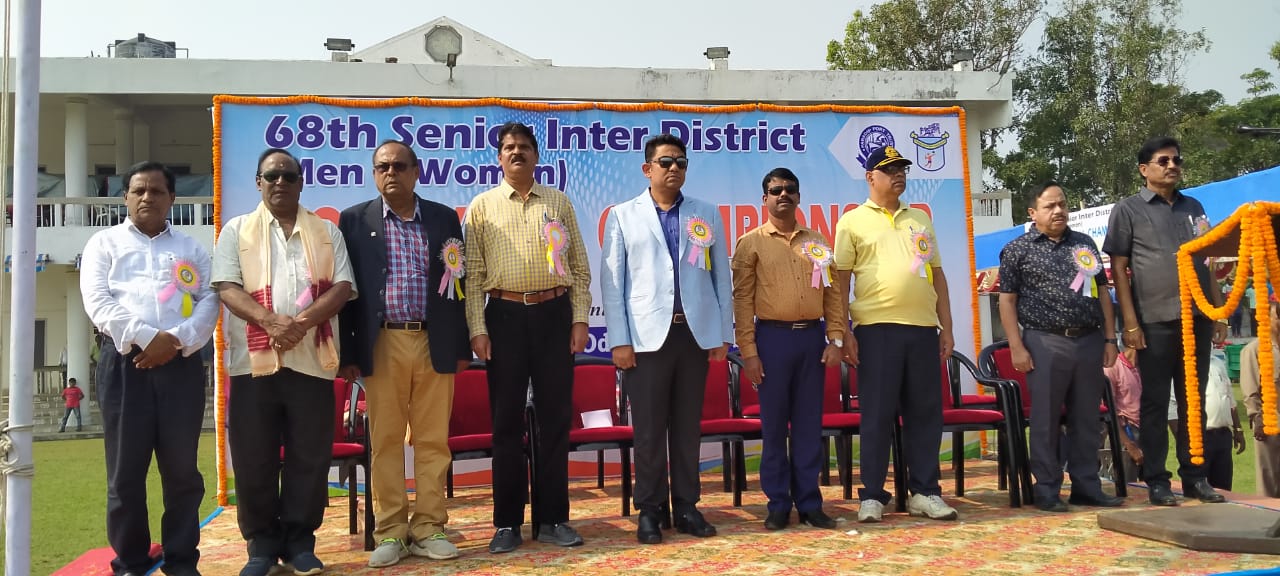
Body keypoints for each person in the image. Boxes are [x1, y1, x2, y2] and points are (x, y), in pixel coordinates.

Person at [214, 148, 356, 576]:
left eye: (288, 176)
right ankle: (260, 546)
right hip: (253, 366)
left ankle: (299, 544)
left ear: (301, 182)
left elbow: (343, 287)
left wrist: (300, 324)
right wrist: (269, 321)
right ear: (258, 182)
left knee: (308, 457)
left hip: (312, 361)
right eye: (271, 176)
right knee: (253, 457)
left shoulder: (326, 231)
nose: (280, 182)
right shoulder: (236, 230)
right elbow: (227, 287)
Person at [81, 161, 219, 576]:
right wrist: (147, 338)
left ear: (171, 198)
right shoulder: (103, 244)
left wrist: (174, 342)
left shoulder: (192, 248)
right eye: (138, 190)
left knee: (182, 473)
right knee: (125, 475)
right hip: (124, 366)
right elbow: (98, 302)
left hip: (181, 367)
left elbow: (209, 301)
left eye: (157, 191)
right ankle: (131, 563)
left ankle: (181, 561)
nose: (147, 197)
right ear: (125, 196)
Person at [338, 140, 471, 568]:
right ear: (374, 174)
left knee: (433, 440)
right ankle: (392, 531)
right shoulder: (354, 220)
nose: (391, 173)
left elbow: (459, 285)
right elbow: (346, 292)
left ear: (417, 171)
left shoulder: (443, 218)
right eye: (383, 167)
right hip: (382, 342)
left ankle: (430, 527)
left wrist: (462, 344)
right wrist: (349, 353)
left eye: (399, 166)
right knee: (386, 441)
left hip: (435, 341)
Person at [464, 122, 591, 553]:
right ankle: (507, 524)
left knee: (555, 420)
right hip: (503, 318)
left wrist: (579, 319)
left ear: (537, 155)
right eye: (508, 147)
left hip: (554, 315)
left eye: (523, 146)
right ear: (499, 157)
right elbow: (473, 275)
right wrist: (478, 329)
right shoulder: (481, 207)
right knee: (505, 424)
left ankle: (553, 518)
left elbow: (579, 268)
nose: (516, 152)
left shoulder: (558, 202)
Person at [601, 133, 733, 543]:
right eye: (665, 162)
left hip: (693, 335)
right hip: (645, 339)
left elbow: (720, 277)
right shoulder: (623, 215)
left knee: (687, 428)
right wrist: (619, 339)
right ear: (647, 169)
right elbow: (612, 282)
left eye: (681, 162)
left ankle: (688, 506)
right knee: (649, 430)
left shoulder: (705, 213)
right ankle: (650, 509)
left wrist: (722, 333)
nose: (674, 168)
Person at [833, 145, 958, 523]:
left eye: (902, 169)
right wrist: (844, 331)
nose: (899, 175)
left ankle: (925, 492)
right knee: (876, 415)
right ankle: (872, 495)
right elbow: (840, 282)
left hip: (922, 329)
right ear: (870, 177)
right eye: (890, 170)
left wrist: (946, 327)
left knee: (925, 414)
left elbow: (937, 275)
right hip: (876, 330)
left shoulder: (919, 218)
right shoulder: (852, 222)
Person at [1103, 136, 1229, 506]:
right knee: (1155, 404)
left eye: (1176, 160)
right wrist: (1130, 324)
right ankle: (1157, 480)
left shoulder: (1193, 207)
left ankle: (1195, 477)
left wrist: (1218, 310)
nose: (1172, 166)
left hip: (1197, 318)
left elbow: (1208, 261)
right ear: (1144, 169)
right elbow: (1119, 269)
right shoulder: (1128, 209)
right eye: (1163, 161)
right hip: (1153, 321)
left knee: (1194, 401)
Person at [997, 182, 1123, 512]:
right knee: (1046, 419)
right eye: (1050, 206)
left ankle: (1086, 485)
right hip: (1045, 341)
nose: (1058, 211)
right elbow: (1007, 301)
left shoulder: (1084, 243)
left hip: (1089, 339)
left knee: (1087, 418)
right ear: (1033, 212)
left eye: (1062, 205)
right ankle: (1047, 488)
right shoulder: (1017, 250)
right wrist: (1016, 346)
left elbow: (1102, 291)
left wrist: (1110, 338)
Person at [730, 167, 844, 530]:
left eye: (790, 189)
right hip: (772, 340)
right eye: (776, 189)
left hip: (812, 339)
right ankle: (778, 503)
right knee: (774, 426)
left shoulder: (818, 241)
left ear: (798, 196)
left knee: (809, 425)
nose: (784, 194)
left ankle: (810, 503)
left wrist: (836, 338)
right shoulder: (751, 242)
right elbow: (742, 300)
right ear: (764, 198)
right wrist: (749, 351)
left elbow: (833, 294)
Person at [1240, 302, 1280, 497]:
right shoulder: (1254, 349)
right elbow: (1250, 388)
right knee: (1269, 479)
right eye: (1278, 316)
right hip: (1269, 422)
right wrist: (1257, 417)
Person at [1202, 346, 1246, 491]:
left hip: (1223, 435)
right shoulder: (1182, 365)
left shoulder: (1217, 362)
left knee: (1224, 487)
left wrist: (1238, 429)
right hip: (1200, 437)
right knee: (1200, 488)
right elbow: (1173, 406)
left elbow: (1230, 398)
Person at [1103, 345, 1144, 481]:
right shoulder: (1112, 367)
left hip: (1147, 433)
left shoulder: (1147, 368)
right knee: (1126, 485)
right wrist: (1129, 445)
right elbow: (1109, 411)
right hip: (1125, 434)